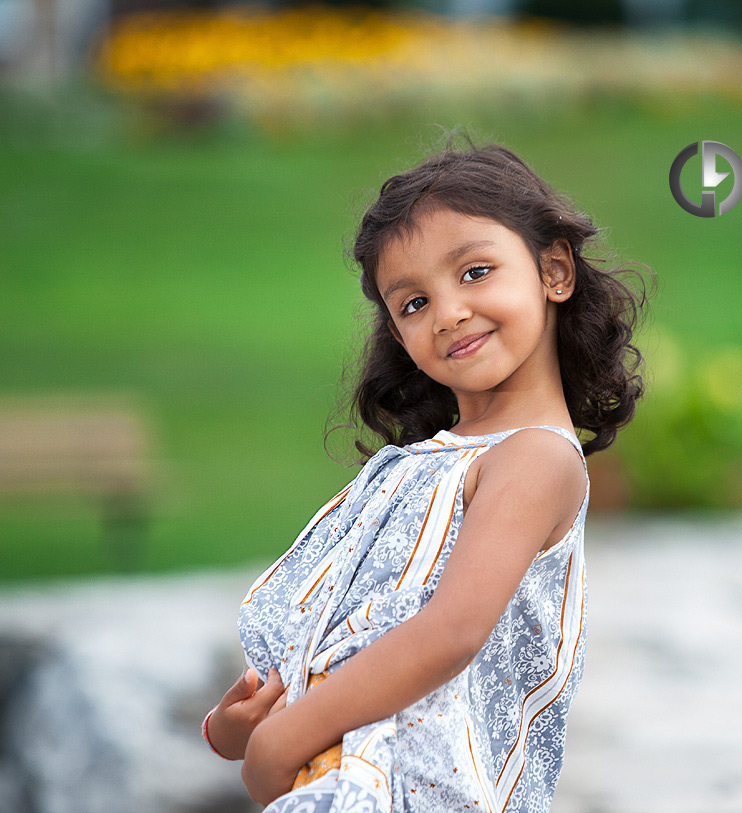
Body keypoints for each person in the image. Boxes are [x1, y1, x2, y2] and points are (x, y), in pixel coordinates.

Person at [201, 134, 651, 813]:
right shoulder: (416, 466)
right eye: (413, 303)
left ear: (554, 271)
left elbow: (450, 632)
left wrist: (282, 740)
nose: (448, 313)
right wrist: (240, 727)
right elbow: (347, 636)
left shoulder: (533, 457)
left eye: (474, 272)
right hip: (341, 777)